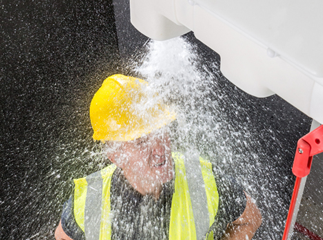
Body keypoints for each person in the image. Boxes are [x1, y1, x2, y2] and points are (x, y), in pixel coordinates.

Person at [55, 74, 262, 240]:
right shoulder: (91, 199)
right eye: (141, 140)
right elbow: (62, 236)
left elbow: (250, 219)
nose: (161, 147)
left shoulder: (205, 181)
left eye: (160, 130)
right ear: (115, 155)